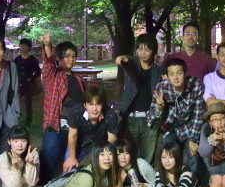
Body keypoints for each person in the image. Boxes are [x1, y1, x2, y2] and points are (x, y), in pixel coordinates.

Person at [147, 57, 206, 179]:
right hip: (169, 129)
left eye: (179, 73)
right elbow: (150, 122)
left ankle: (195, 185)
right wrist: (159, 109)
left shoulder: (195, 85)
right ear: (167, 76)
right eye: (171, 74)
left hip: (189, 127)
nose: (176, 77)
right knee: (169, 158)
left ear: (185, 73)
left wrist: (193, 139)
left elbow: (198, 114)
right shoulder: (161, 88)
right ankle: (171, 184)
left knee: (194, 157)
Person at [39, 31, 86, 183]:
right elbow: (48, 63)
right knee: (48, 164)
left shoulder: (78, 79)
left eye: (74, 56)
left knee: (69, 166)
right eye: (67, 56)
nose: (71, 59)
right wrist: (48, 45)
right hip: (56, 127)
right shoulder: (53, 76)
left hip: (75, 129)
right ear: (59, 58)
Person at [115, 33, 163, 163]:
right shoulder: (132, 66)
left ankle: (146, 177)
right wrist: (122, 58)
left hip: (150, 120)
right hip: (131, 119)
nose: (143, 53)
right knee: (130, 157)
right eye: (140, 49)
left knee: (148, 159)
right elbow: (126, 60)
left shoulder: (158, 71)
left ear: (153, 51)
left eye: (147, 49)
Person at [65, 86, 119, 172]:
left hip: (101, 143)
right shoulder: (76, 112)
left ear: (103, 105)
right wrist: (72, 157)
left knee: (101, 169)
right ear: (85, 105)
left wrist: (104, 159)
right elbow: (73, 135)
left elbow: (111, 140)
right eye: (90, 104)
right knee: (68, 168)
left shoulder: (110, 115)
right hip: (80, 142)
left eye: (98, 104)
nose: (94, 109)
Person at [13, 38, 41, 126]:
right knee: (15, 101)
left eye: (24, 46)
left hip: (29, 84)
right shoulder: (17, 60)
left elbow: (37, 72)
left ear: (29, 47)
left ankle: (28, 121)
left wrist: (33, 79)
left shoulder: (33, 60)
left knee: (28, 103)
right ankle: (15, 118)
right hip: (18, 83)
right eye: (21, 46)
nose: (22, 47)